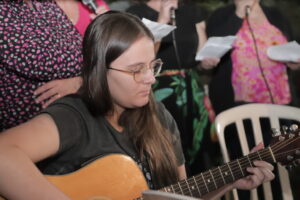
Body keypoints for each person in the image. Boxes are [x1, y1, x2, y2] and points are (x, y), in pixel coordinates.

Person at [0, 11, 274, 200]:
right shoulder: (74, 116)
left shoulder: (159, 116)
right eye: (135, 70)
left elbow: (178, 194)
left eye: (152, 66)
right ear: (99, 72)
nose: (150, 79)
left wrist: (229, 181)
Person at [202, 0, 300, 199]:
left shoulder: (276, 15)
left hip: (280, 104)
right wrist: (239, 12)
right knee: (248, 171)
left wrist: (294, 62)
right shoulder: (221, 16)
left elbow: (292, 47)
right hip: (239, 110)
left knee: (282, 170)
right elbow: (212, 55)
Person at [126, 0, 217, 167]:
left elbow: (200, 56)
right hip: (157, 89)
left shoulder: (192, 10)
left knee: (200, 153)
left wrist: (206, 62)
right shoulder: (135, 13)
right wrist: (162, 20)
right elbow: (137, 58)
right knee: (167, 150)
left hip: (192, 90)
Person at [0, 0, 95, 131]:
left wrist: (81, 80)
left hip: (74, 111)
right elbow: (39, 62)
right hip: (32, 126)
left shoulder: (44, 3)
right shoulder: (4, 10)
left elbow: (77, 42)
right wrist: (99, 61)